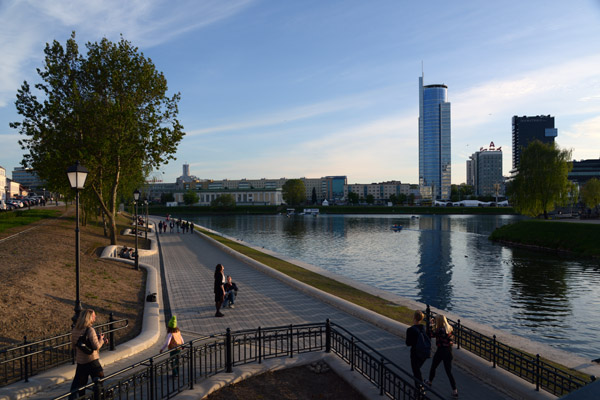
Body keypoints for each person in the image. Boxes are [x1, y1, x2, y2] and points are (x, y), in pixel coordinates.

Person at [69, 309, 108, 399]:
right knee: (100, 381)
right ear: (89, 318)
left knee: (81, 386)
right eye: (94, 316)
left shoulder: (75, 330)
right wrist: (101, 340)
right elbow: (96, 346)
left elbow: (74, 346)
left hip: (81, 362)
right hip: (92, 361)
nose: (95, 317)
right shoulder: (90, 330)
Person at [425, 314, 458, 398]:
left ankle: (430, 381)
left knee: (433, 366)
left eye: (436, 320)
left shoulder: (440, 330)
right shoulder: (449, 328)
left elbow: (430, 334)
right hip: (449, 351)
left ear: (438, 321)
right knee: (449, 372)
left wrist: (430, 324)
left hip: (441, 351)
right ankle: (455, 390)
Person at [405, 310, 429, 392]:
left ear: (414, 318)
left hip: (415, 353)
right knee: (417, 370)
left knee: (416, 370)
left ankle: (420, 388)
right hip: (424, 353)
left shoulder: (410, 330)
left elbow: (408, 343)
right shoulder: (423, 328)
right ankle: (420, 385)